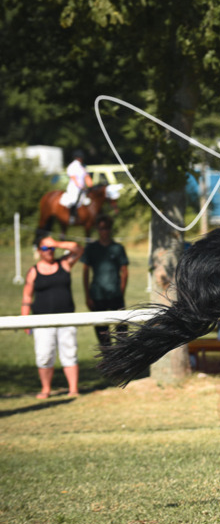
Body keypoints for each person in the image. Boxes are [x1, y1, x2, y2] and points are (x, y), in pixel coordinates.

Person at [22, 236, 83, 399]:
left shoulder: (64, 263)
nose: (49, 251)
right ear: (38, 251)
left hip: (66, 318)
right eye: (44, 248)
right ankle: (46, 389)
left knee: (70, 353)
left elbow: (78, 249)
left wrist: (55, 243)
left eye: (51, 249)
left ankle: (73, 389)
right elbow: (27, 297)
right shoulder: (33, 271)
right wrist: (24, 320)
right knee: (44, 354)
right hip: (41, 320)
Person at [81, 214, 129, 346]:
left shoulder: (118, 248)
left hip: (115, 294)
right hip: (97, 295)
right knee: (102, 335)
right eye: (101, 228)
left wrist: (121, 292)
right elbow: (85, 272)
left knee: (122, 333)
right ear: (98, 229)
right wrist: (87, 296)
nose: (104, 231)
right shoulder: (91, 248)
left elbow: (125, 272)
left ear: (110, 229)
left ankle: (123, 361)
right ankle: (109, 361)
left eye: (107, 228)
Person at [61, 149, 93, 224]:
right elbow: (74, 179)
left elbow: (87, 177)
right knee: (74, 200)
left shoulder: (83, 166)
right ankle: (72, 216)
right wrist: (81, 186)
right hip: (74, 188)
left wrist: (91, 186)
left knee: (88, 200)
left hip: (83, 188)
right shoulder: (72, 166)